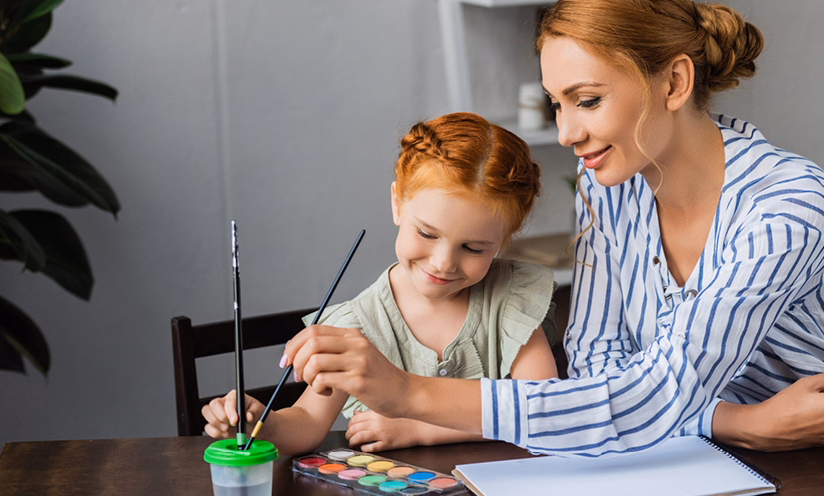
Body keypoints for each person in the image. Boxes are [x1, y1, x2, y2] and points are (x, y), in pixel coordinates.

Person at [282, 0, 824, 457]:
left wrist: (410, 394)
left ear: (674, 82)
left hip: (823, 458)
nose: (566, 133)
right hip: (671, 451)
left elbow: (651, 397)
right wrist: (735, 422)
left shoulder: (786, 209)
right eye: (556, 104)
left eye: (587, 100)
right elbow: (597, 366)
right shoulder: (607, 183)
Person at [202, 112, 558, 455]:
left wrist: (421, 429)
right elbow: (308, 422)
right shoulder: (357, 325)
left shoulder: (512, 298)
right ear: (397, 203)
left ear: (504, 239)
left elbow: (542, 410)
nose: (443, 263)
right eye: (426, 234)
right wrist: (261, 426)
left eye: (474, 248)